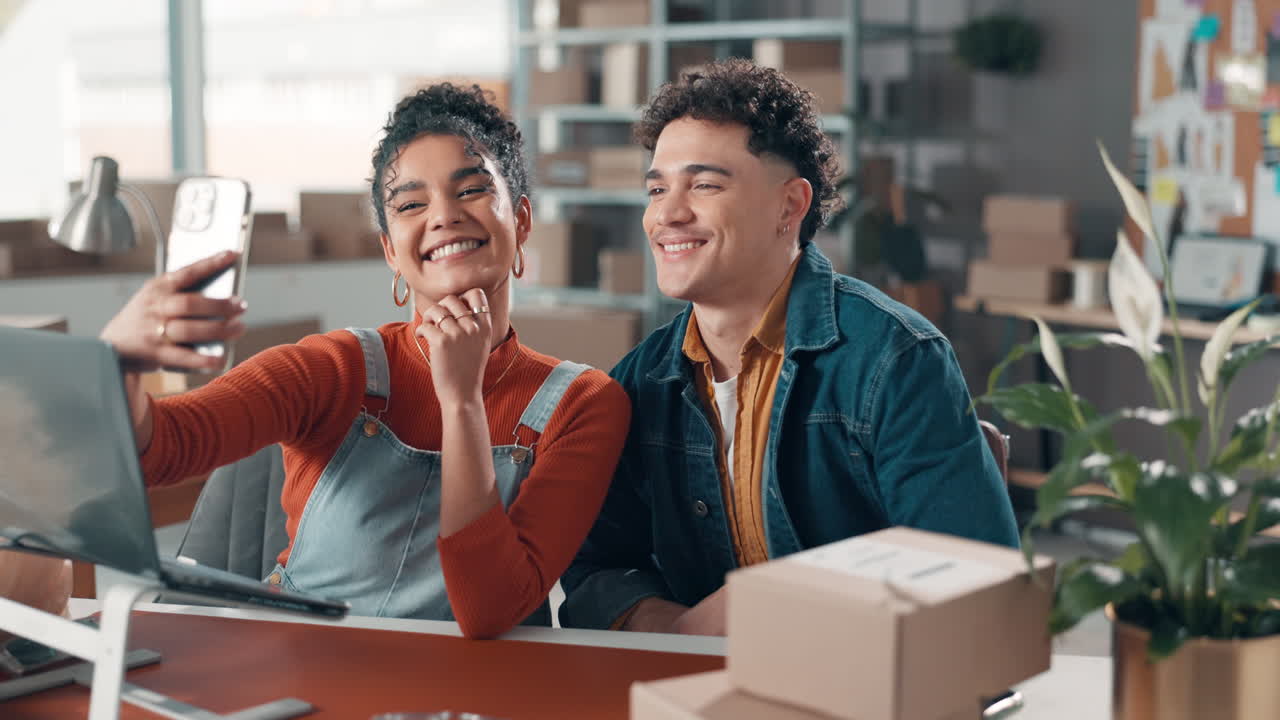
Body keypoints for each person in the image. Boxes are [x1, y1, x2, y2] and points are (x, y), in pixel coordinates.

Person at [99, 83, 630, 639]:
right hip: (303, 662)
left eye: (470, 190)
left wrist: (462, 400)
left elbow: (490, 610)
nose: (443, 217)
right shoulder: (332, 370)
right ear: (390, 251)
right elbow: (160, 451)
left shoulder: (585, 404)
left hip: (471, 687)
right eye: (410, 204)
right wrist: (120, 366)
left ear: (521, 222)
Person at [559, 59, 1019, 636]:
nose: (667, 213)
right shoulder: (637, 380)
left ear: (790, 206)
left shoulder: (895, 359)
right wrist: (683, 629)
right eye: (657, 188)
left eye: (704, 184)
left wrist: (779, 626)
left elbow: (977, 600)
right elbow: (595, 569)